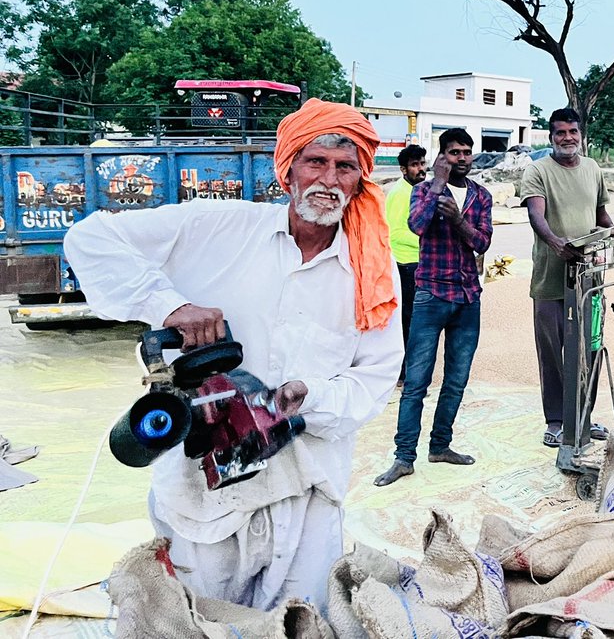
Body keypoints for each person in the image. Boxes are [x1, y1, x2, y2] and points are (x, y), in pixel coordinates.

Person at [63, 99, 405, 612]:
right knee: (200, 619)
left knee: (302, 620)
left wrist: (307, 400)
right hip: (203, 494)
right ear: (287, 169)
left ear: (360, 179)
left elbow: (378, 374)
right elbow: (90, 238)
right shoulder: (218, 226)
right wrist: (169, 305)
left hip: (307, 486)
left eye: (345, 166)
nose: (328, 179)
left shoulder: (372, 271)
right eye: (316, 161)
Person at [375, 128, 492, 485]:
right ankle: (404, 457)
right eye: (455, 152)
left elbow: (483, 242)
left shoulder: (481, 196)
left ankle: (440, 445)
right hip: (430, 296)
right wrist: (438, 184)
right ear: (442, 156)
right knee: (416, 383)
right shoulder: (424, 191)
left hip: (468, 298)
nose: (462, 158)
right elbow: (417, 225)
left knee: (456, 381)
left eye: (467, 152)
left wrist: (458, 219)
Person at [520, 107, 614, 448]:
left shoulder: (593, 168)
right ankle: (555, 420)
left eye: (573, 132)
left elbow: (600, 212)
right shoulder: (538, 171)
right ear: (551, 136)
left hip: (590, 277)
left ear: (581, 135)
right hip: (551, 278)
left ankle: (583, 415)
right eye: (560, 133)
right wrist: (555, 243)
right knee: (553, 350)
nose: (567, 138)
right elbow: (536, 215)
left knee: (590, 348)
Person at [385, 144, 428, 358]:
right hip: (406, 265)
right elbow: (395, 233)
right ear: (403, 169)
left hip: (420, 263)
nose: (420, 169)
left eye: (422, 163)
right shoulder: (401, 194)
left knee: (419, 320)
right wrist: (429, 241)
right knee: (408, 320)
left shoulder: (419, 190)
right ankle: (405, 372)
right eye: (414, 165)